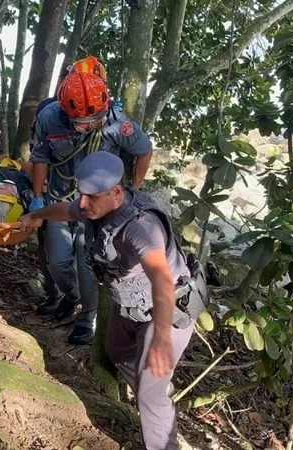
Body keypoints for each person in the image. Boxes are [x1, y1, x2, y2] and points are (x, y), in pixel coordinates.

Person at [19, 151, 208, 450]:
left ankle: (161, 428)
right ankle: (156, 391)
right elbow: (65, 211)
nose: (83, 203)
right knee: (117, 351)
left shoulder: (141, 227)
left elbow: (162, 280)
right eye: (82, 195)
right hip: (132, 306)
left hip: (166, 313)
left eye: (90, 197)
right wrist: (35, 215)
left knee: (149, 394)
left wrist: (160, 341)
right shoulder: (95, 205)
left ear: (116, 192)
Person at [29, 67, 154, 345]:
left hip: (97, 209)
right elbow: (40, 157)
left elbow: (144, 149)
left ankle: (87, 318)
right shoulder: (49, 119)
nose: (90, 126)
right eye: (83, 122)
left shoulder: (115, 123)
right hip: (61, 199)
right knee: (58, 261)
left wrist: (135, 186)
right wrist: (38, 197)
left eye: (94, 120)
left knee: (88, 265)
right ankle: (70, 297)